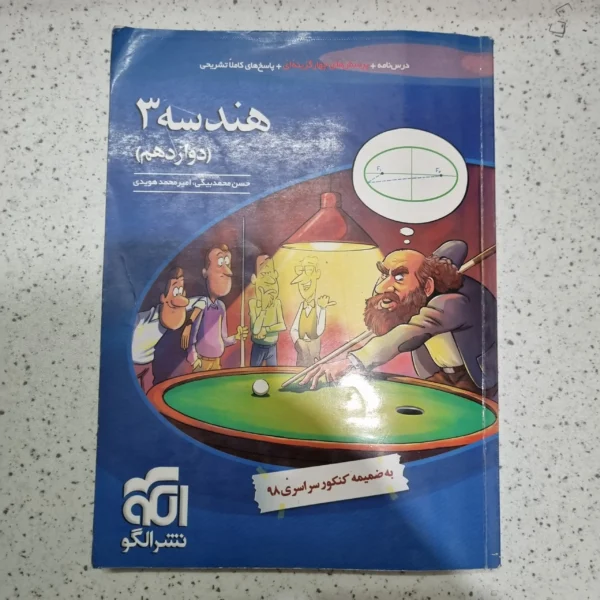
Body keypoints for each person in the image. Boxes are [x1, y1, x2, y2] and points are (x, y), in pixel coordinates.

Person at [300, 241, 498, 397]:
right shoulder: (414, 299)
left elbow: (408, 332)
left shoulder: (453, 302)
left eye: (400, 277)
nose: (381, 287)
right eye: (383, 275)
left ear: (428, 286)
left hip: (474, 380)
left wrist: (352, 362)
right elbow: (387, 330)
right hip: (441, 375)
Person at [181, 244, 248, 371]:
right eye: (220, 263)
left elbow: (223, 338)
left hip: (217, 362)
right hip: (202, 362)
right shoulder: (202, 304)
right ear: (205, 272)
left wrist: (236, 337)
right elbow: (192, 336)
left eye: (227, 263)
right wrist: (194, 358)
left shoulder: (221, 307)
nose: (227, 271)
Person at [132, 267, 196, 392]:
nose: (179, 297)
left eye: (180, 290)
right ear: (163, 298)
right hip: (133, 363)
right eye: (175, 290)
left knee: (149, 393)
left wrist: (189, 324)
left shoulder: (178, 308)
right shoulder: (146, 317)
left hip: (148, 363)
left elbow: (202, 301)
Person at [290, 256, 336, 367]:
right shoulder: (302, 306)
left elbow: (320, 328)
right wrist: (298, 341)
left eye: (309, 270)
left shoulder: (319, 306)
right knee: (301, 367)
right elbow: (294, 328)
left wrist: (323, 308)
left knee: (313, 367)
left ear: (317, 274)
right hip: (301, 348)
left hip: (314, 345)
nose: (303, 285)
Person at [248, 255, 286, 367]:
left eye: (270, 273)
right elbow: (255, 330)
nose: (268, 279)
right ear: (254, 279)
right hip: (258, 347)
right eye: (264, 273)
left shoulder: (276, 303)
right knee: (254, 373)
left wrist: (266, 329)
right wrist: (263, 309)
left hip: (272, 347)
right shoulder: (253, 303)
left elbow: (282, 325)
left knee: (272, 373)